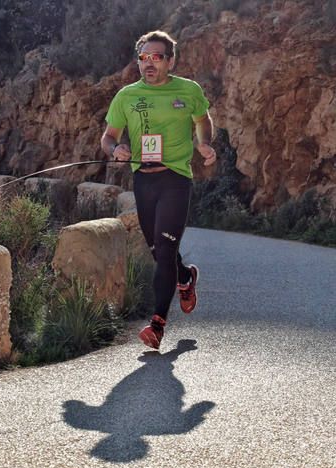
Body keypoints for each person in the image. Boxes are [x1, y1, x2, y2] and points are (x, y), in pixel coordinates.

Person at [100, 30, 216, 349]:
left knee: (164, 250)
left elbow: (203, 119)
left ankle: (157, 324)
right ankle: (185, 277)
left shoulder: (188, 90)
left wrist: (204, 143)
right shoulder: (126, 95)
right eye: (144, 57)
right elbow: (108, 136)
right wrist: (115, 150)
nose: (149, 63)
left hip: (176, 178)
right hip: (143, 180)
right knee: (157, 251)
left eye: (156, 57)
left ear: (170, 61)